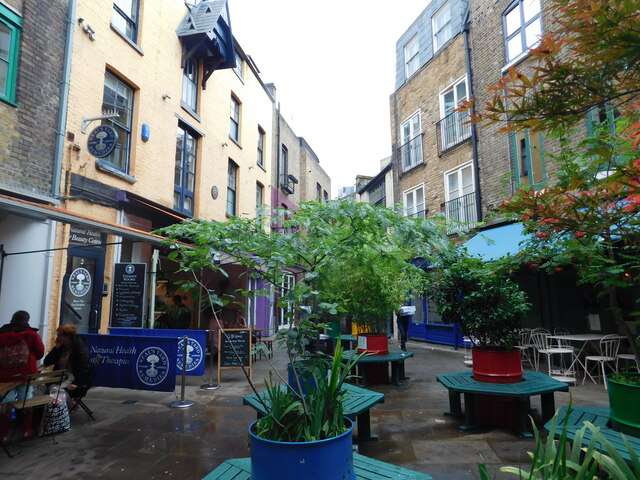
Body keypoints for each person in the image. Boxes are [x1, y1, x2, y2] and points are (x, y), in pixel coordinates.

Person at [0, 310, 45, 443]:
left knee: (5, 402)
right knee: (25, 399)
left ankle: (3, 435)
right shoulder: (31, 334)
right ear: (26, 320)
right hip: (26, 374)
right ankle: (26, 430)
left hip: (5, 375)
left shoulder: (1, 334)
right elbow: (40, 353)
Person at [43, 324, 91, 401]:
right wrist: (56, 348)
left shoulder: (80, 350)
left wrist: (76, 383)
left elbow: (83, 370)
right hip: (60, 376)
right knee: (41, 386)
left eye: (59, 335)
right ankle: (43, 410)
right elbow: (47, 362)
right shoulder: (62, 346)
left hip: (73, 379)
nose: (57, 338)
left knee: (54, 390)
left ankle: (66, 407)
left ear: (67, 337)